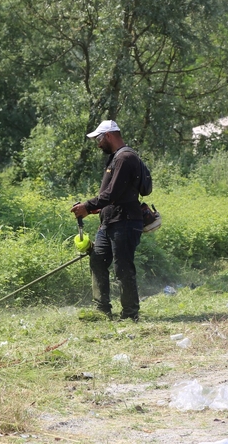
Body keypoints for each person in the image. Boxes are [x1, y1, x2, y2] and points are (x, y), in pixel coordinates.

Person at [70, 120, 144, 322]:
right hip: (110, 221)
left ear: (109, 135)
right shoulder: (115, 159)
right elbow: (113, 196)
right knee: (97, 260)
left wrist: (87, 205)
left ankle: (130, 314)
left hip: (125, 221)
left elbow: (112, 193)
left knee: (123, 268)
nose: (98, 143)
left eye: (99, 138)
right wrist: (94, 208)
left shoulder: (126, 158)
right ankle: (101, 310)